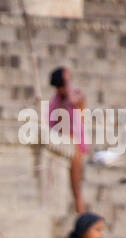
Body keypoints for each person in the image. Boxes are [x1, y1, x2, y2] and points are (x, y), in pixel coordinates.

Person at [49, 65, 88, 215]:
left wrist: (68, 82)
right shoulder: (55, 102)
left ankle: (82, 218)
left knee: (76, 187)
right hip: (58, 145)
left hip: (75, 146)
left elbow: (74, 100)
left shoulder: (77, 95)